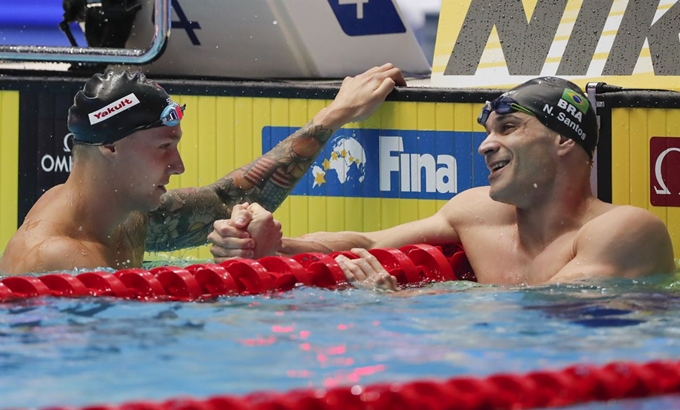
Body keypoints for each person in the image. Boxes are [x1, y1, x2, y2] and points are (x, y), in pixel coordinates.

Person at [208, 76, 676, 289]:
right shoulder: (478, 212)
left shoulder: (625, 231)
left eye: (508, 128)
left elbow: (553, 325)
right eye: (487, 132)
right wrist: (276, 246)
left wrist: (409, 305)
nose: (485, 146)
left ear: (562, 141)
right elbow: (367, 242)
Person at [0, 64, 406, 275]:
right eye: (164, 147)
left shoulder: (118, 209)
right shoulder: (61, 257)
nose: (178, 165)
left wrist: (335, 115)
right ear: (109, 146)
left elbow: (223, 200)